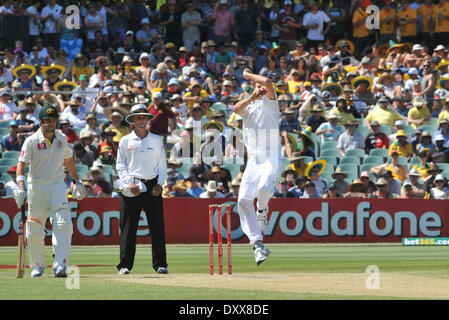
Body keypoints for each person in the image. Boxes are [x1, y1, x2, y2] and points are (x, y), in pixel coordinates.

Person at [13, 105, 85, 278]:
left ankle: (60, 266)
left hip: (57, 186)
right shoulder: (31, 140)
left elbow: (68, 160)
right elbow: (21, 164)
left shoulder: (62, 138)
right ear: (41, 122)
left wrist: (76, 181)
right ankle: (37, 265)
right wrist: (21, 185)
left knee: (63, 223)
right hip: (36, 187)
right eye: (47, 120)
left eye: (53, 120)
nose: (51, 123)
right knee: (34, 228)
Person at [232, 68, 280, 266]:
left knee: (264, 188)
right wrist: (252, 95)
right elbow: (236, 109)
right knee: (243, 200)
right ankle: (258, 245)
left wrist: (249, 75)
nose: (262, 86)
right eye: (256, 83)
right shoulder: (250, 104)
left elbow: (267, 82)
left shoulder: (271, 103)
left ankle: (262, 209)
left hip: (271, 155)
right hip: (254, 159)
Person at [115, 104, 168, 275]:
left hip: (153, 184)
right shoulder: (125, 140)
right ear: (132, 120)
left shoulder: (156, 139)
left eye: (144, 117)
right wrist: (129, 182)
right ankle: (125, 265)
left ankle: (160, 264)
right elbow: (120, 164)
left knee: (157, 227)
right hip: (133, 185)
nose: (141, 120)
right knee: (128, 228)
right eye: (138, 117)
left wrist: (160, 183)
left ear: (147, 119)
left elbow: (162, 165)